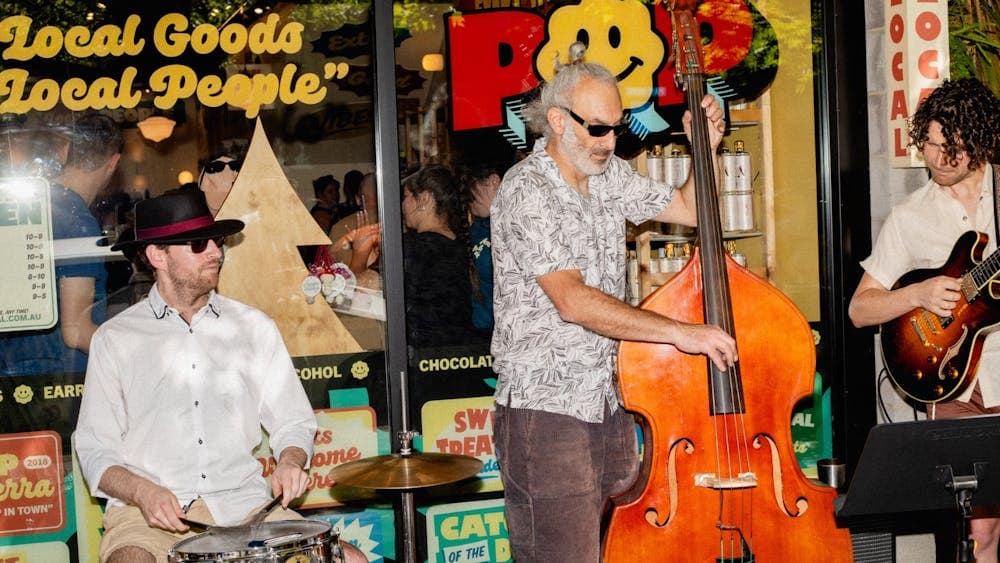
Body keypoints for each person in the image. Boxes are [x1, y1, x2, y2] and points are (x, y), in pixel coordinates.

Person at [489, 59, 737, 562]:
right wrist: (680, 332)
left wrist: (704, 148)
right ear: (558, 121)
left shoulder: (607, 176)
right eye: (597, 128)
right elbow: (572, 301)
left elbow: (691, 209)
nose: (609, 142)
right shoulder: (526, 190)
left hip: (608, 400)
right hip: (548, 411)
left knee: (622, 548)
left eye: (616, 129)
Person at [74, 190, 367, 563]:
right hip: (149, 516)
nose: (216, 251)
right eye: (199, 244)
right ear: (157, 256)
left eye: (218, 240)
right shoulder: (116, 338)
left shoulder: (253, 327)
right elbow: (95, 450)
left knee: (351, 560)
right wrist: (142, 492)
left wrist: (291, 461)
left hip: (245, 507)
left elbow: (293, 422)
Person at [848, 77, 1000, 562]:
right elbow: (859, 310)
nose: (937, 158)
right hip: (957, 385)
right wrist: (918, 293)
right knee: (979, 535)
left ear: (980, 142)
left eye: (952, 148)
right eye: (930, 144)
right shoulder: (910, 216)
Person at [0, 113, 122, 376]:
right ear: (113, 163)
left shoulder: (29, 205)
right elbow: (76, 332)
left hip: (12, 367)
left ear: (65, 150)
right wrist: (134, 351)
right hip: (58, 376)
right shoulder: (77, 221)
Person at [401, 165, 475, 348]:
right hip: (453, 351)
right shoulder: (458, 243)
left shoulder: (415, 247)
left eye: (406, 197)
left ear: (424, 199)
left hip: (424, 353)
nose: (403, 205)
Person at [458, 163, 503, 335]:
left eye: (471, 193)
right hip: (481, 328)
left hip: (503, 327)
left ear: (493, 181)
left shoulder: (514, 224)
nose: (470, 201)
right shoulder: (479, 227)